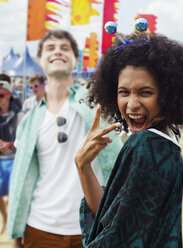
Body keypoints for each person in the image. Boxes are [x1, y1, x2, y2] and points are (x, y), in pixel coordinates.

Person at [75, 32, 183, 247]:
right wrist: (83, 166)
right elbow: (113, 218)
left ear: (167, 94)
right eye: (123, 92)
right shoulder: (167, 140)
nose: (132, 104)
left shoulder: (145, 144)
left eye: (145, 92)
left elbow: (114, 239)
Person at [8, 30, 122, 248]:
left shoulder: (97, 104)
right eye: (50, 48)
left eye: (64, 48)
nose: (57, 51)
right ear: (40, 60)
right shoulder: (29, 120)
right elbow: (21, 179)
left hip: (94, 228)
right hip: (39, 229)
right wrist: (15, 238)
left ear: (76, 60)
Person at [0, 74, 23, 235]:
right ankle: (5, 217)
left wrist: (10, 144)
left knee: (13, 194)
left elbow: (23, 139)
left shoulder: (19, 114)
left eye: (1, 95)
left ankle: (12, 222)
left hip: (14, 158)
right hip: (0, 159)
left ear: (8, 95)